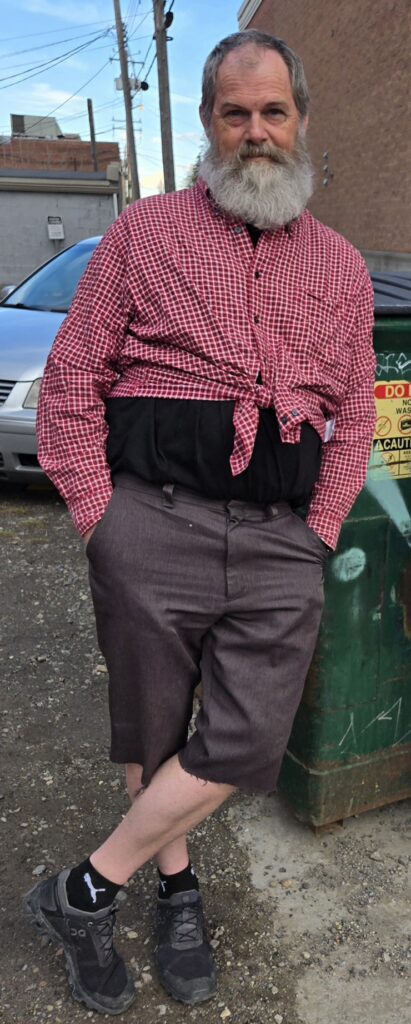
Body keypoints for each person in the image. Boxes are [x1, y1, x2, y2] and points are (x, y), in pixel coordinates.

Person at [26, 29, 376, 1016]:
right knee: (152, 723)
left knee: (248, 734)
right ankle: (176, 888)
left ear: (301, 121)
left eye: (273, 112)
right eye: (235, 113)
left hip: (280, 538)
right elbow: (73, 378)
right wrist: (100, 518)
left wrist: (318, 531)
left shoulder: (344, 267)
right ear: (208, 123)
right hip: (151, 522)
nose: (255, 131)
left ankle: (85, 889)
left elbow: (356, 414)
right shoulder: (144, 235)